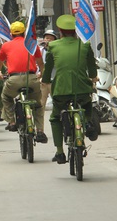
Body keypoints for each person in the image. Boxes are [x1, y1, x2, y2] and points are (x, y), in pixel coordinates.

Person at [41, 15, 99, 164]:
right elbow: (92, 67)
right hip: (82, 89)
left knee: (55, 117)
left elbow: (48, 70)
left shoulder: (53, 46)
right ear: (76, 30)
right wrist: (93, 78)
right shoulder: (84, 45)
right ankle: (86, 123)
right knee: (87, 106)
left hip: (61, 91)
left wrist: (45, 80)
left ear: (60, 31)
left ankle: (60, 152)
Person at [0, 21, 48, 143]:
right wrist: (42, 75)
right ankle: (39, 131)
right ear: (24, 33)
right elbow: (41, 64)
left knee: (6, 96)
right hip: (32, 79)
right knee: (38, 105)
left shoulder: (6, 46)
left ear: (11, 34)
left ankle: (12, 122)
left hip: (14, 80)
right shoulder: (32, 44)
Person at [39, 29, 58, 109]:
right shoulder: (40, 50)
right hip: (42, 80)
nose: (48, 40)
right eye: (46, 38)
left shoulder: (57, 50)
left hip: (54, 79)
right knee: (41, 103)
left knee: (57, 102)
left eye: (50, 38)